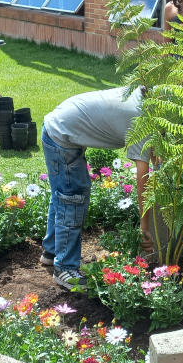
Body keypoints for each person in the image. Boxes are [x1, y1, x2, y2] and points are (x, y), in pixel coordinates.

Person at [41, 87, 152, 290]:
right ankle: (64, 267)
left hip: (58, 125)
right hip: (61, 135)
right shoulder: (142, 119)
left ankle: (51, 251)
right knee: (72, 197)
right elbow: (142, 177)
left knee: (64, 194)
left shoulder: (142, 94)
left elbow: (153, 154)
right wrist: (144, 229)